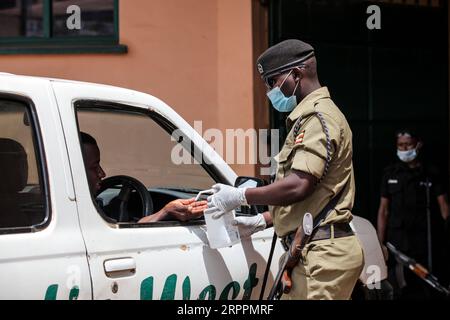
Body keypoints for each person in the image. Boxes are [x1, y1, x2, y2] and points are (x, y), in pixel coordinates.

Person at [206, 39, 364, 300]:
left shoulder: (317, 118)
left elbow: (299, 185)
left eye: (273, 81)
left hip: (321, 257)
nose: (270, 90)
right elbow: (319, 192)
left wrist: (239, 197)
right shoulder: (308, 119)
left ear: (297, 74)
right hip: (312, 252)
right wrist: (264, 220)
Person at [377, 129, 449, 299]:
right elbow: (383, 210)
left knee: (427, 289)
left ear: (418, 144)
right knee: (399, 289)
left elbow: (444, 207)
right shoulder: (390, 173)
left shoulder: (431, 173)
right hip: (397, 245)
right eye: (400, 145)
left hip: (425, 244)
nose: (404, 149)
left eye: (407, 145)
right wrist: (379, 243)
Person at [80, 132, 208, 223]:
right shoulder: (80, 214)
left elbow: (126, 235)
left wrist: (166, 211)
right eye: (94, 167)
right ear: (78, 170)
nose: (102, 174)